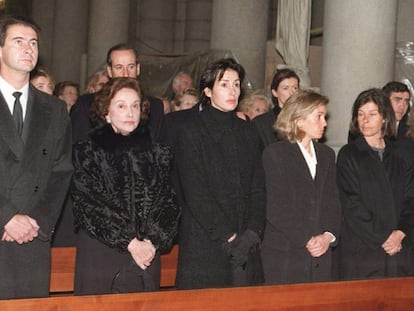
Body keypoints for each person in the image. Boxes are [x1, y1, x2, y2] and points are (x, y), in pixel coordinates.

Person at [71, 77, 180, 295]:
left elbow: (168, 203)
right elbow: (89, 204)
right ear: (106, 112)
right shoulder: (88, 152)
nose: (130, 113)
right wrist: (130, 242)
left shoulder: (157, 154)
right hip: (102, 254)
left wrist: (151, 241)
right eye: (121, 106)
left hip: (147, 255)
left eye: (135, 106)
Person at [175, 58, 266, 289]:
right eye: (224, 84)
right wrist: (228, 235)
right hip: (206, 240)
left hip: (246, 242)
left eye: (236, 84)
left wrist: (253, 233)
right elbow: (195, 192)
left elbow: (258, 187)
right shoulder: (191, 130)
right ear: (207, 90)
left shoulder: (248, 131)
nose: (233, 91)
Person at [0, 16, 73, 299]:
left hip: (32, 235)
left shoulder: (54, 109)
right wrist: (6, 217)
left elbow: (61, 170)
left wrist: (36, 222)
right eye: (18, 41)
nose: (28, 48)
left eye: (33, 43)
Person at [261, 90, 341, 284]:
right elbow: (276, 208)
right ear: (298, 120)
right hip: (286, 253)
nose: (325, 123)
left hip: (321, 253)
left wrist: (327, 237)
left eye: (324, 116)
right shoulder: (275, 154)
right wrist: (307, 238)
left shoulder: (327, 155)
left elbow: (333, 202)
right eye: (319, 116)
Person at [336, 88, 414, 280]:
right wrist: (384, 236)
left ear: (385, 118)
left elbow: (410, 200)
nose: (365, 120)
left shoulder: (399, 156)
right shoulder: (349, 154)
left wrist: (400, 232)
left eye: (372, 114)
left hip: (399, 248)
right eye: (361, 114)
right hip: (363, 251)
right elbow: (351, 203)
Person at [70, 43, 164, 143]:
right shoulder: (87, 104)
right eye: (119, 67)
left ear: (138, 69)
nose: (126, 74)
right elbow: (79, 145)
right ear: (109, 71)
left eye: (131, 67)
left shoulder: (155, 106)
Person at [252, 68, 300, 147]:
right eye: (285, 88)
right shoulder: (261, 123)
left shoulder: (304, 119)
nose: (292, 93)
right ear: (275, 93)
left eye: (295, 88)